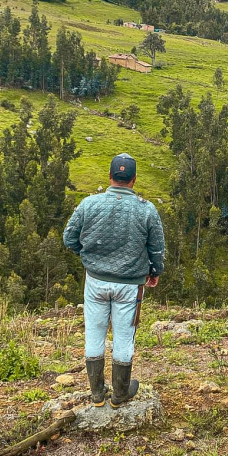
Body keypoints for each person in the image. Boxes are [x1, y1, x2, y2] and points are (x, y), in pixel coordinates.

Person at [63, 153, 165, 408]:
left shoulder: (89, 204)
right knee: (124, 338)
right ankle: (120, 394)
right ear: (134, 179)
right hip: (130, 285)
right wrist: (154, 272)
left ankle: (97, 394)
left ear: (110, 176)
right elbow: (156, 248)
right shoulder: (146, 209)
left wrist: (87, 256)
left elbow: (69, 238)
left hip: (96, 281)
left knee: (94, 335)